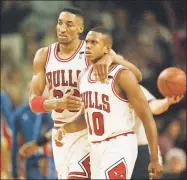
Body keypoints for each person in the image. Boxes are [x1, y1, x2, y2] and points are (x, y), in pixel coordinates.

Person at [29, 7, 142, 179]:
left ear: (81, 29)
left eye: (69, 24)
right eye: (60, 23)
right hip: (60, 131)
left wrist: (112, 57)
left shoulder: (91, 51)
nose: (62, 28)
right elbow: (33, 102)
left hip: (86, 130)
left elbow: (136, 75)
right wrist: (57, 103)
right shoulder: (43, 55)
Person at [55, 27, 163, 179]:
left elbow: (147, 116)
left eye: (94, 42)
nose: (88, 46)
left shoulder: (122, 75)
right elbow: (86, 117)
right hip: (95, 146)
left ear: (107, 49)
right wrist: (65, 128)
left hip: (119, 143)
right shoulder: (83, 77)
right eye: (86, 42)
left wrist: (154, 158)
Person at [131, 86, 184, 179]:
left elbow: (152, 106)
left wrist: (166, 101)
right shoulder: (99, 90)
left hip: (141, 150)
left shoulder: (131, 85)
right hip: (111, 149)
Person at [11, 103, 53, 179]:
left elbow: (53, 132)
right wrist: (14, 170)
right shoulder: (19, 113)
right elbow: (14, 142)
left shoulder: (47, 112)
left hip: (45, 159)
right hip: (31, 158)